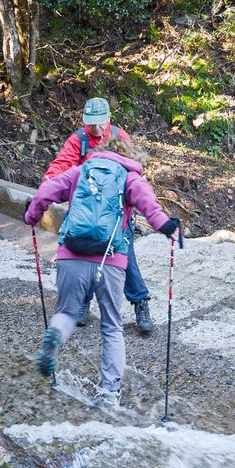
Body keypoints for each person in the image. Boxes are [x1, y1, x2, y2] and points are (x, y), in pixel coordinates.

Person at [24, 138, 180, 393]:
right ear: (129, 156)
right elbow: (149, 204)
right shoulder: (129, 178)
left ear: (98, 153)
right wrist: (166, 226)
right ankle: (108, 391)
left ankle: (55, 336)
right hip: (111, 260)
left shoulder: (78, 173)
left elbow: (45, 192)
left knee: (67, 312)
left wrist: (30, 216)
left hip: (71, 256)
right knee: (111, 326)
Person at [42, 97, 155, 334]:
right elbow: (61, 166)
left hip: (115, 215)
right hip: (84, 213)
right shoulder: (79, 140)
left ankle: (140, 303)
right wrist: (46, 187)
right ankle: (83, 303)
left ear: (108, 118)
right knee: (82, 256)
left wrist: (133, 207)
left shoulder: (119, 137)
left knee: (127, 260)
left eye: (99, 123)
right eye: (90, 123)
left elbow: (132, 175)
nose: (95, 128)